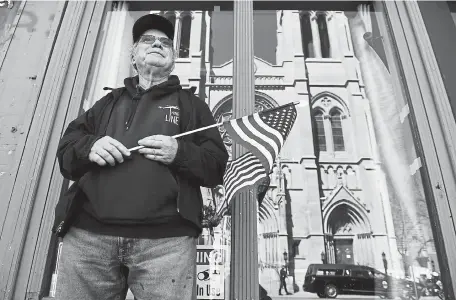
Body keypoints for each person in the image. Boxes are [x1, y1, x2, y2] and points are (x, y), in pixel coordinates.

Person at [52, 14, 228, 300]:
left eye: (166, 43)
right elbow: (67, 155)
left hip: (166, 246)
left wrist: (179, 152)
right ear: (133, 54)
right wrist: (90, 147)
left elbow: (215, 168)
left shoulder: (193, 106)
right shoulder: (107, 102)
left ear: (172, 58)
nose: (157, 44)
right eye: (148, 40)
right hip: (89, 239)